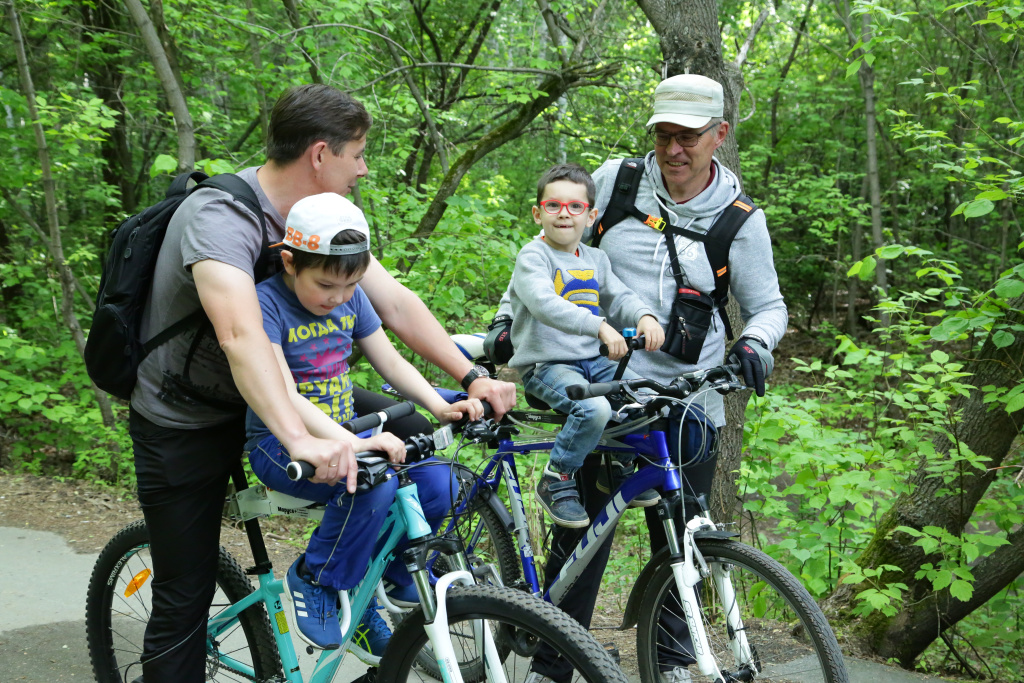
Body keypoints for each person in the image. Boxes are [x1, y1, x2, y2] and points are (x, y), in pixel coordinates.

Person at [129, 83, 515, 683]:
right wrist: (307, 440)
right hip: (191, 412)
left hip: (301, 391)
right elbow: (240, 337)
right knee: (185, 588)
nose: (362, 169)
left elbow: (392, 306)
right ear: (319, 154)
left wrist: (467, 379)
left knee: (417, 445)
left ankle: (368, 584)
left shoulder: (327, 228)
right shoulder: (220, 217)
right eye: (357, 154)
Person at [491, 74, 787, 683]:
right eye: (663, 135)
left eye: (688, 137)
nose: (673, 150)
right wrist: (504, 321)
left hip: (688, 394)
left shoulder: (738, 222)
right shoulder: (618, 181)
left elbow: (769, 307)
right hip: (605, 383)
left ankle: (673, 664)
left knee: (683, 541)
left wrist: (757, 343)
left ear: (719, 135)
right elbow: (546, 247)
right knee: (581, 535)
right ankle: (552, 665)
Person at [245, 192, 480, 653]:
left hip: (344, 429)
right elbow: (284, 394)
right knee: (370, 482)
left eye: (350, 287)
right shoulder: (265, 304)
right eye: (326, 286)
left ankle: (381, 575)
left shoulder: (351, 300)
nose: (337, 298)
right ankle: (318, 576)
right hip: (282, 442)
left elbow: (391, 364)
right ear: (290, 263)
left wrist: (439, 406)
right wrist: (354, 446)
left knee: (441, 484)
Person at [507, 163, 664, 528]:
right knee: (593, 410)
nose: (565, 214)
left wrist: (644, 316)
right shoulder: (534, 257)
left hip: (593, 362)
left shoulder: (596, 259)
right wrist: (600, 327)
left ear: (591, 215)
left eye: (575, 207)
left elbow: (619, 295)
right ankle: (557, 477)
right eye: (554, 206)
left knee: (645, 398)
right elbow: (544, 303)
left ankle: (618, 466)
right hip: (548, 367)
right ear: (538, 213)